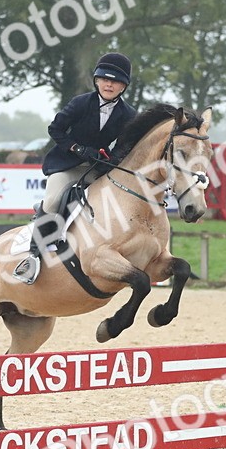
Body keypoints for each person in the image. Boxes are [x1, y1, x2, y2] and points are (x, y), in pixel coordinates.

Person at [12, 52, 137, 284]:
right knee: (52, 201)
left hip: (98, 170)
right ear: (97, 80)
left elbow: (125, 146)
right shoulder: (81, 103)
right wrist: (78, 149)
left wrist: (112, 160)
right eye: (104, 79)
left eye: (116, 81)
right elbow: (55, 130)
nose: (109, 84)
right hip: (67, 164)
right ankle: (33, 257)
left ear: (124, 86)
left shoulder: (129, 114)